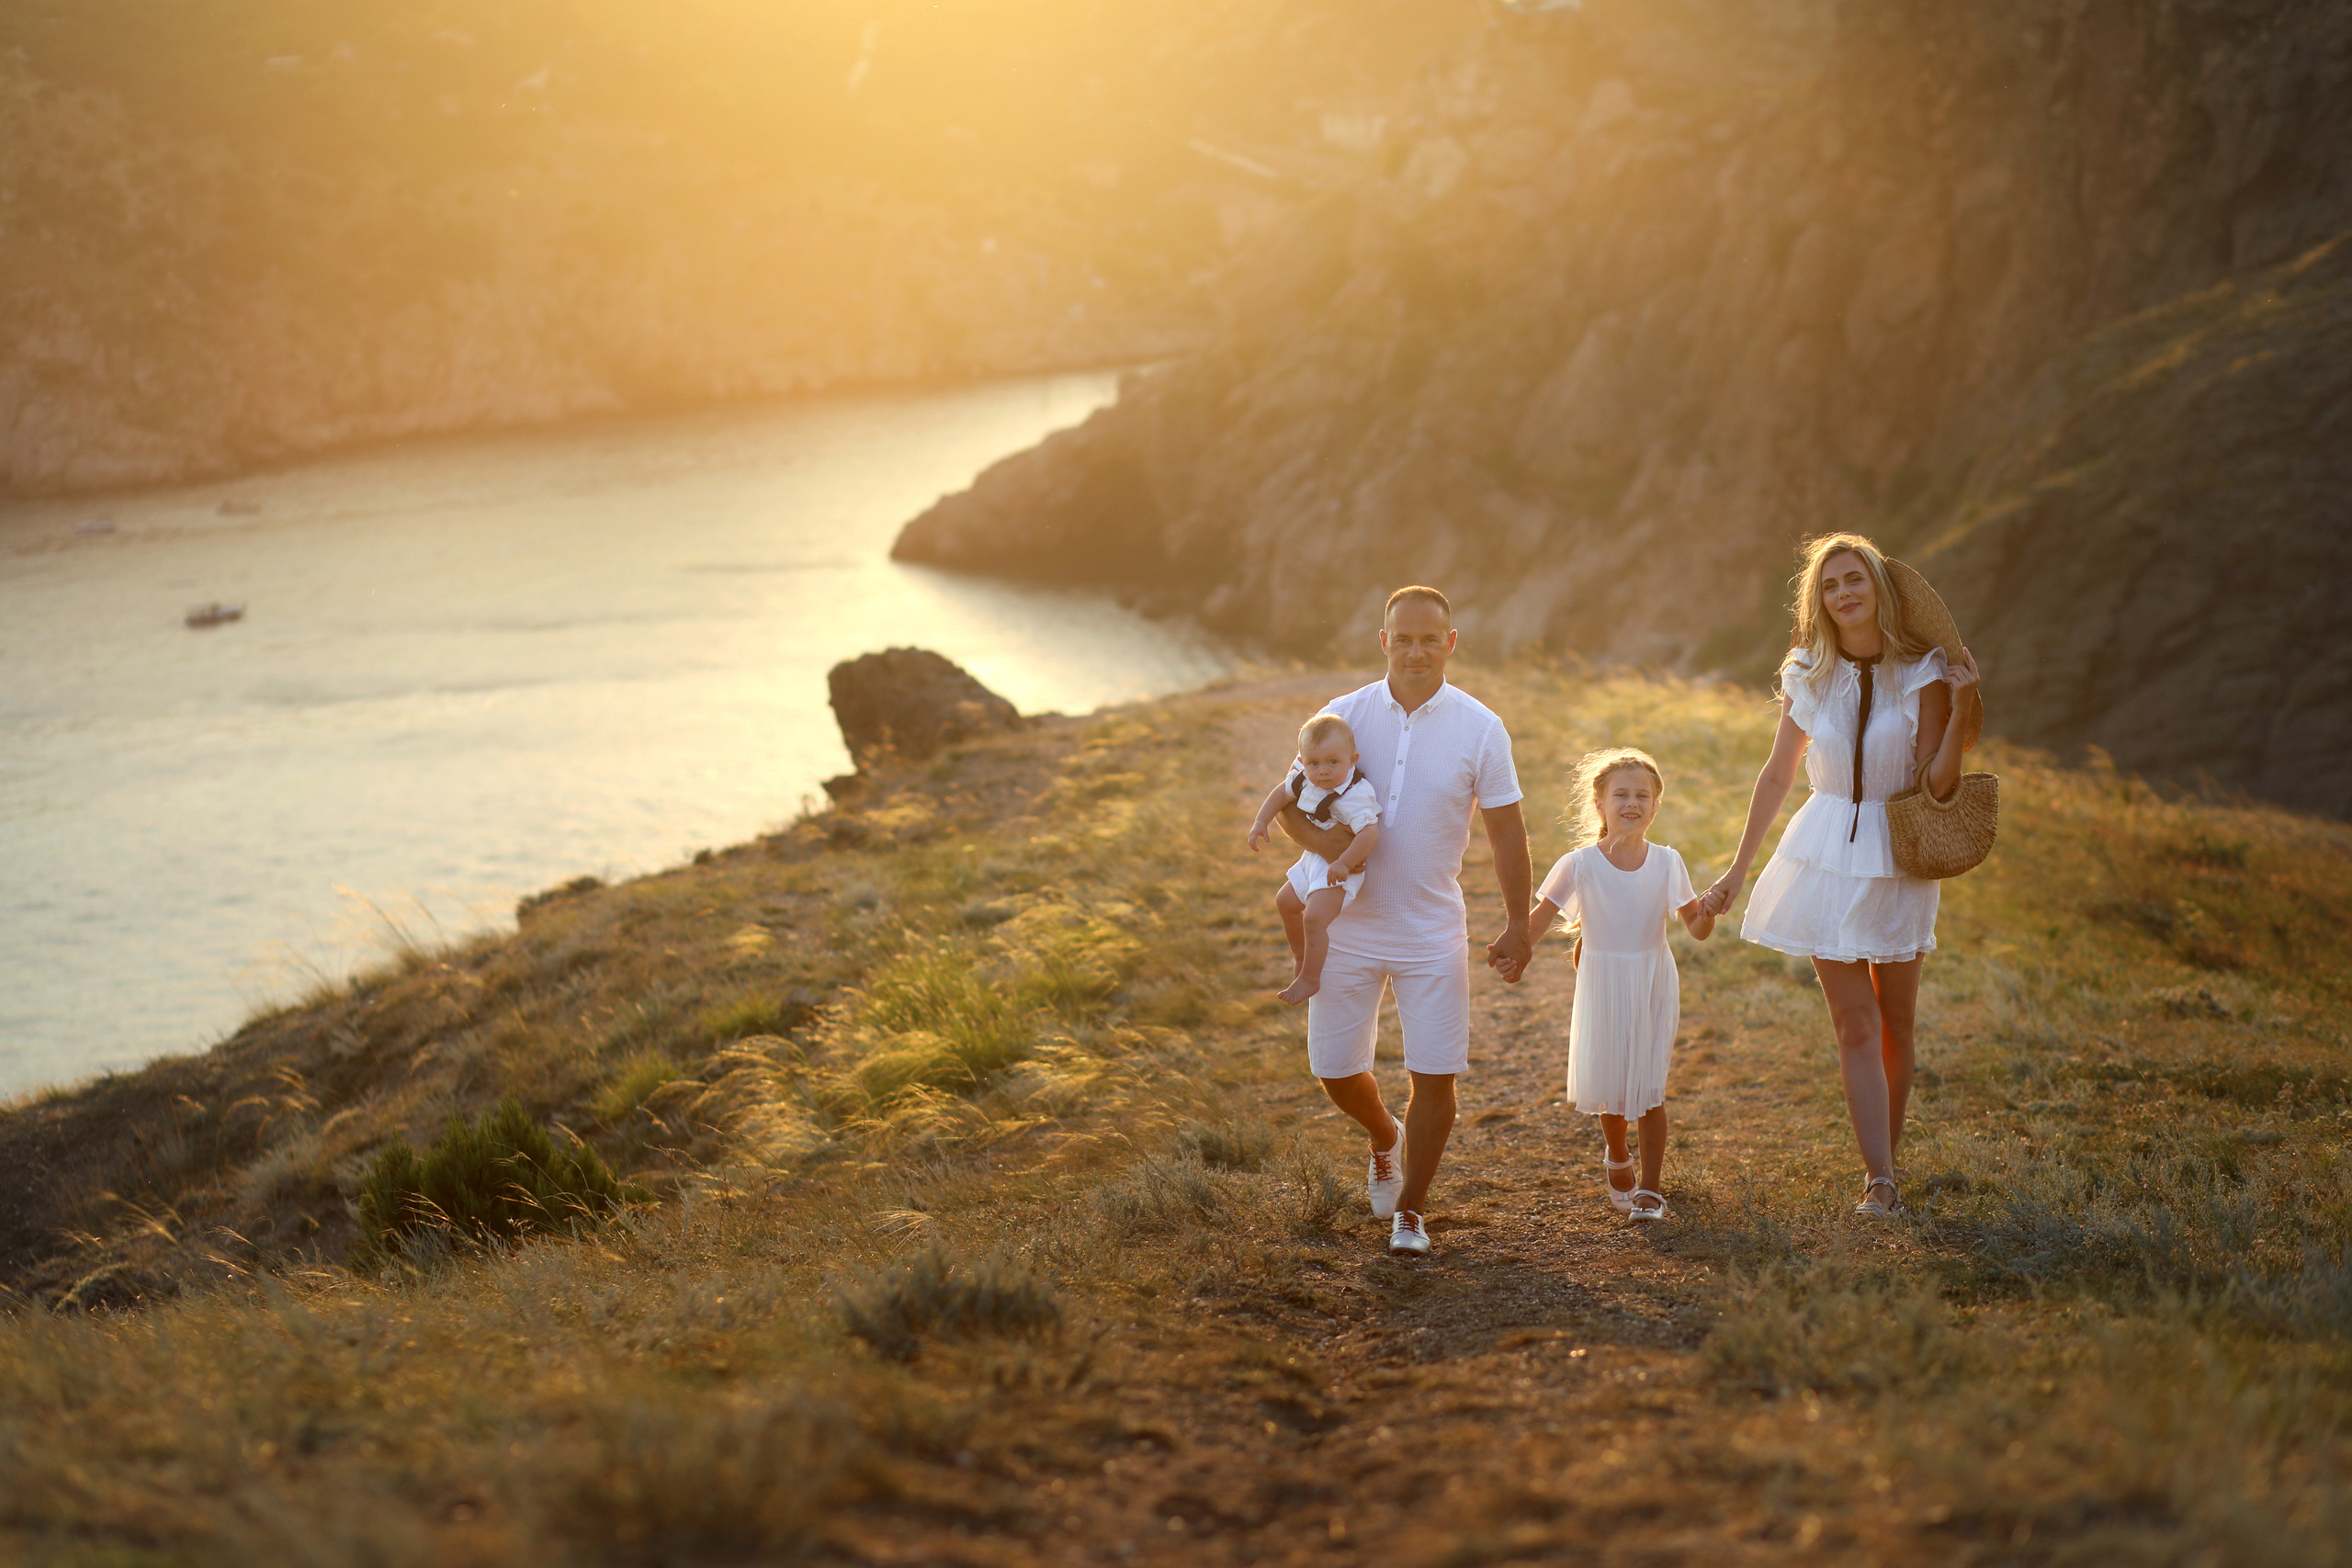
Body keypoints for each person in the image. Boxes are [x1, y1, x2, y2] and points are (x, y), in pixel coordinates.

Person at [1700, 534, 1982, 1217]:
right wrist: (1737, 869)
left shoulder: (1922, 672)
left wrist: (1962, 703)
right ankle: (1878, 1179)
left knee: (1896, 1022)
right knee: (1853, 1023)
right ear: (1818, 599)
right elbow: (1777, 773)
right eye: (1830, 584)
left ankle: (1888, 1160)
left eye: (1855, 578)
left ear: (1879, 587)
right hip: (1823, 849)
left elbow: (1938, 781)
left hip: (1899, 855)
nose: (1844, 592)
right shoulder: (1806, 671)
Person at [1269, 585, 1531, 1257]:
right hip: (1346, 927)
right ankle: (1384, 1136)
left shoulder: (1481, 726)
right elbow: (1291, 805)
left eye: (1429, 638)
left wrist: (1517, 923)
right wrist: (1333, 849)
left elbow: (1506, 833)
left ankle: (1411, 1209)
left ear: (1450, 644)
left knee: (1435, 1073)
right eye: (1402, 638)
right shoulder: (1342, 715)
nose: (1415, 650)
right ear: (1384, 641)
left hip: (1431, 928)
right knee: (1332, 1069)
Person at [1523, 748, 1713, 1221]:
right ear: (1600, 803)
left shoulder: (1668, 862)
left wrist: (1710, 909)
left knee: (1649, 1085)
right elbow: (1536, 921)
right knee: (1612, 1081)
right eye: (1621, 794)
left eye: (1642, 795)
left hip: (1651, 979)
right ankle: (1616, 1154)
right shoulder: (1580, 863)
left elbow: (1697, 927)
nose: (1632, 803)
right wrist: (1510, 948)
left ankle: (1650, 1190)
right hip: (1604, 980)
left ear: (1656, 805)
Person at [1247, 713, 1385, 1006]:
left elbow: (1369, 834)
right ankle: (1301, 958)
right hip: (1314, 857)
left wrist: (1344, 862)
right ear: (1303, 761)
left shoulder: (1355, 794)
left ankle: (1311, 977)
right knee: (1285, 903)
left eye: (1333, 762)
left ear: (1352, 759)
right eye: (1314, 763)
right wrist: (1261, 821)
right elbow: (1280, 794)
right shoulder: (1305, 779)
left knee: (1314, 918)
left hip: (1341, 865)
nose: (1323, 771)